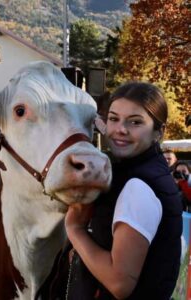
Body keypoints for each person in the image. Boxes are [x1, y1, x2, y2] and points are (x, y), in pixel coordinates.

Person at [42, 82, 182, 300]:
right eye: (114, 119)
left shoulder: (139, 186)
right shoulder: (146, 172)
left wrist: (75, 229)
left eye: (135, 122)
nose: (120, 130)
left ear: (158, 132)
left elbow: (119, 283)